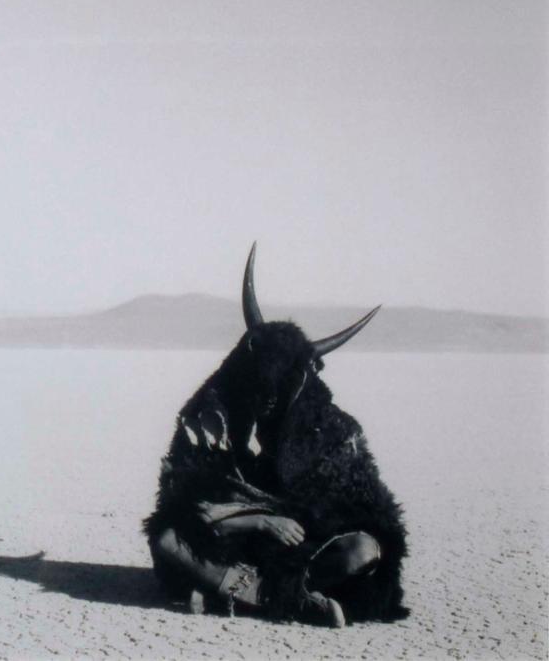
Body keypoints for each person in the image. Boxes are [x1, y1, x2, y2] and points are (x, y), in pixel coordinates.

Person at [143, 247, 408, 626]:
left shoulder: (331, 432)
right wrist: (261, 523)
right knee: (168, 539)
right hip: (230, 542)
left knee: (363, 550)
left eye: (280, 388)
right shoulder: (207, 420)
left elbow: (362, 517)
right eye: (260, 384)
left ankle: (235, 591)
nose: (268, 399)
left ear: (299, 385)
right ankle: (286, 599)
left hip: (300, 552)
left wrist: (297, 528)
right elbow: (183, 503)